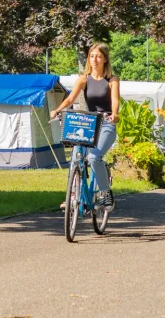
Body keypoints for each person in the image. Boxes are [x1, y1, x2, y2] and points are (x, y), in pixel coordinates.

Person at [51, 43, 121, 210]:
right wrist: (57, 110)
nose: (94, 60)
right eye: (91, 56)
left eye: (98, 56)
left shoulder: (112, 80)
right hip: (88, 124)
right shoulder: (84, 79)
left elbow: (115, 100)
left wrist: (115, 114)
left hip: (106, 123)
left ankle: (105, 193)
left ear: (105, 59)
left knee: (93, 158)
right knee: (76, 157)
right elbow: (70, 100)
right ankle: (73, 194)